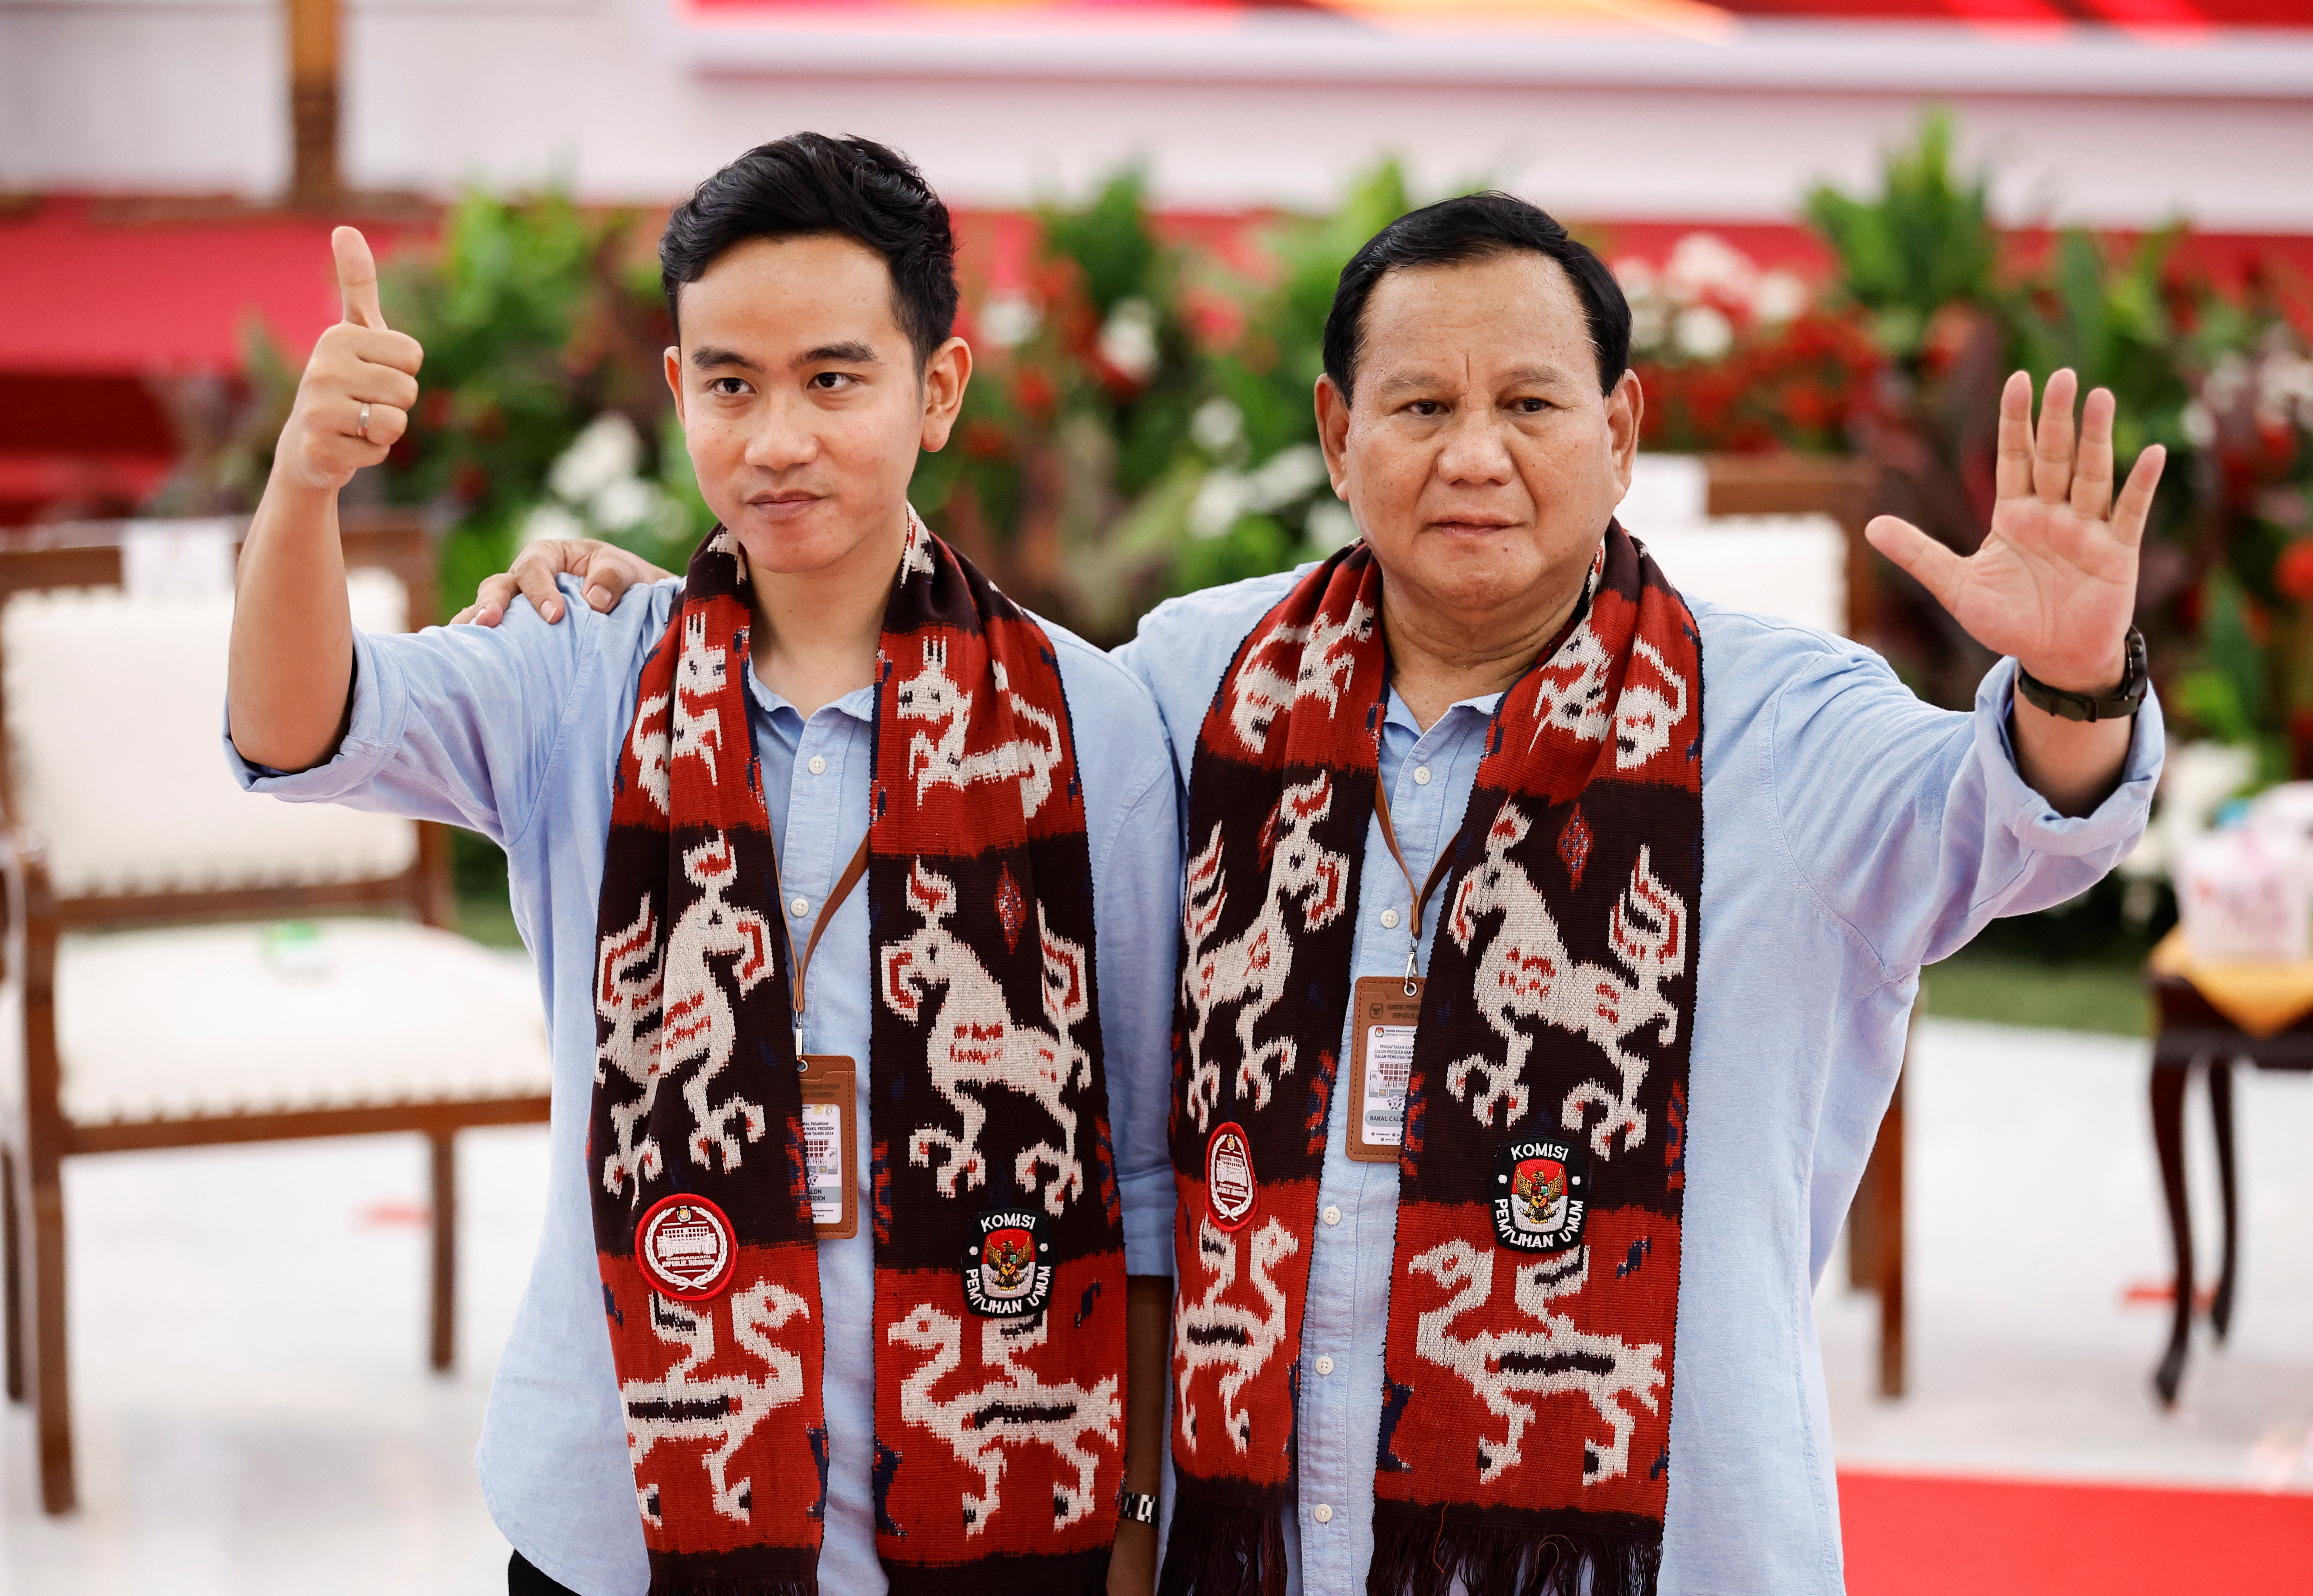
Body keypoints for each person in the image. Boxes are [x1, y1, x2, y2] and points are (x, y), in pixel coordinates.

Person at [484, 193, 2160, 1595]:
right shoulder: (1198, 683)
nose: (1474, 455)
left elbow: (2003, 826)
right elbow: (963, 705)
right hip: (1266, 1547)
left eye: (1530, 404)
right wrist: (699, 611)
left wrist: (2073, 688)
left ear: (1621, 431)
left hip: (1652, 1548)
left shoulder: (1780, 723)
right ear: (1338, 435)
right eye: (1419, 407)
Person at [226, 134, 1177, 1596]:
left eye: (833, 380)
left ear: (938, 389)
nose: (777, 439)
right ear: (677, 392)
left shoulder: (1086, 724)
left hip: (989, 1511)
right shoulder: (582, 671)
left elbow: (1142, 1171)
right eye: (731, 385)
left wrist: (1135, 1521)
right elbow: (298, 729)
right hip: (617, 1516)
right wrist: (307, 485)